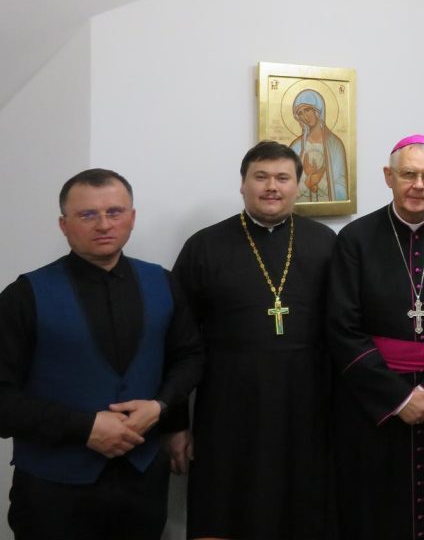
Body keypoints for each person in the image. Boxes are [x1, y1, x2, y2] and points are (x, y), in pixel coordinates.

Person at [0, 169, 203, 540]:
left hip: (141, 484)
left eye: (115, 211)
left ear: (132, 218)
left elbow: (189, 356)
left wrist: (162, 409)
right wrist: (85, 428)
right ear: (63, 224)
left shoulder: (164, 282)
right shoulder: (23, 296)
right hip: (53, 488)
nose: (104, 224)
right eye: (87, 214)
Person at [170, 140, 337, 539]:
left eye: (282, 177)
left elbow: (346, 332)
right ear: (242, 184)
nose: (271, 187)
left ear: (299, 185)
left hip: (308, 408)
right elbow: (176, 342)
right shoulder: (204, 247)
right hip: (228, 409)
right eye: (260, 177)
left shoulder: (327, 244)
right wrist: (174, 424)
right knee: (226, 506)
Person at [327, 134, 424, 540]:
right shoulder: (356, 239)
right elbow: (342, 327)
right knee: (375, 507)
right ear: (388, 176)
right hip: (373, 404)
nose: (418, 185)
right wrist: (398, 398)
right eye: (408, 174)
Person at [289, 87, 349, 202]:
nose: (305, 116)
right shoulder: (296, 147)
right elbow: (288, 185)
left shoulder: (335, 145)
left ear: (317, 110)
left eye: (307, 110)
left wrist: (320, 181)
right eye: (300, 113)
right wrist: (307, 183)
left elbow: (341, 187)